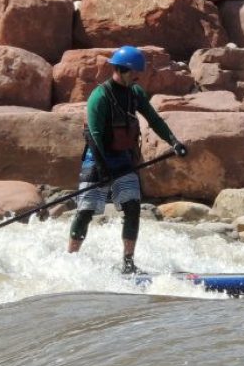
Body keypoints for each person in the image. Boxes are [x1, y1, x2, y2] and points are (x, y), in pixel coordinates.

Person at [68, 46, 188, 274]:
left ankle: (128, 263)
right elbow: (94, 138)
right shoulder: (100, 96)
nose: (137, 77)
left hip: (122, 159)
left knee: (133, 207)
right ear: (122, 70)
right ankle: (71, 259)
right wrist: (104, 170)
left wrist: (173, 142)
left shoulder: (135, 93)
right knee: (85, 211)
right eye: (135, 73)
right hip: (97, 159)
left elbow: (154, 120)